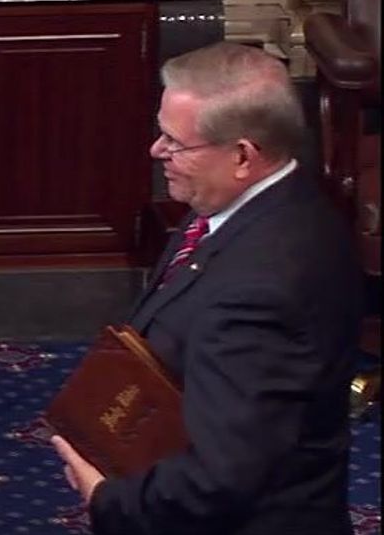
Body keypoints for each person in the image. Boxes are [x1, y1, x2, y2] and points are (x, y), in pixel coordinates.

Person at [52, 41, 361, 535]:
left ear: (242, 155)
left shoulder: (264, 287)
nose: (157, 151)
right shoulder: (246, 206)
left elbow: (221, 477)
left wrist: (111, 501)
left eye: (175, 142)